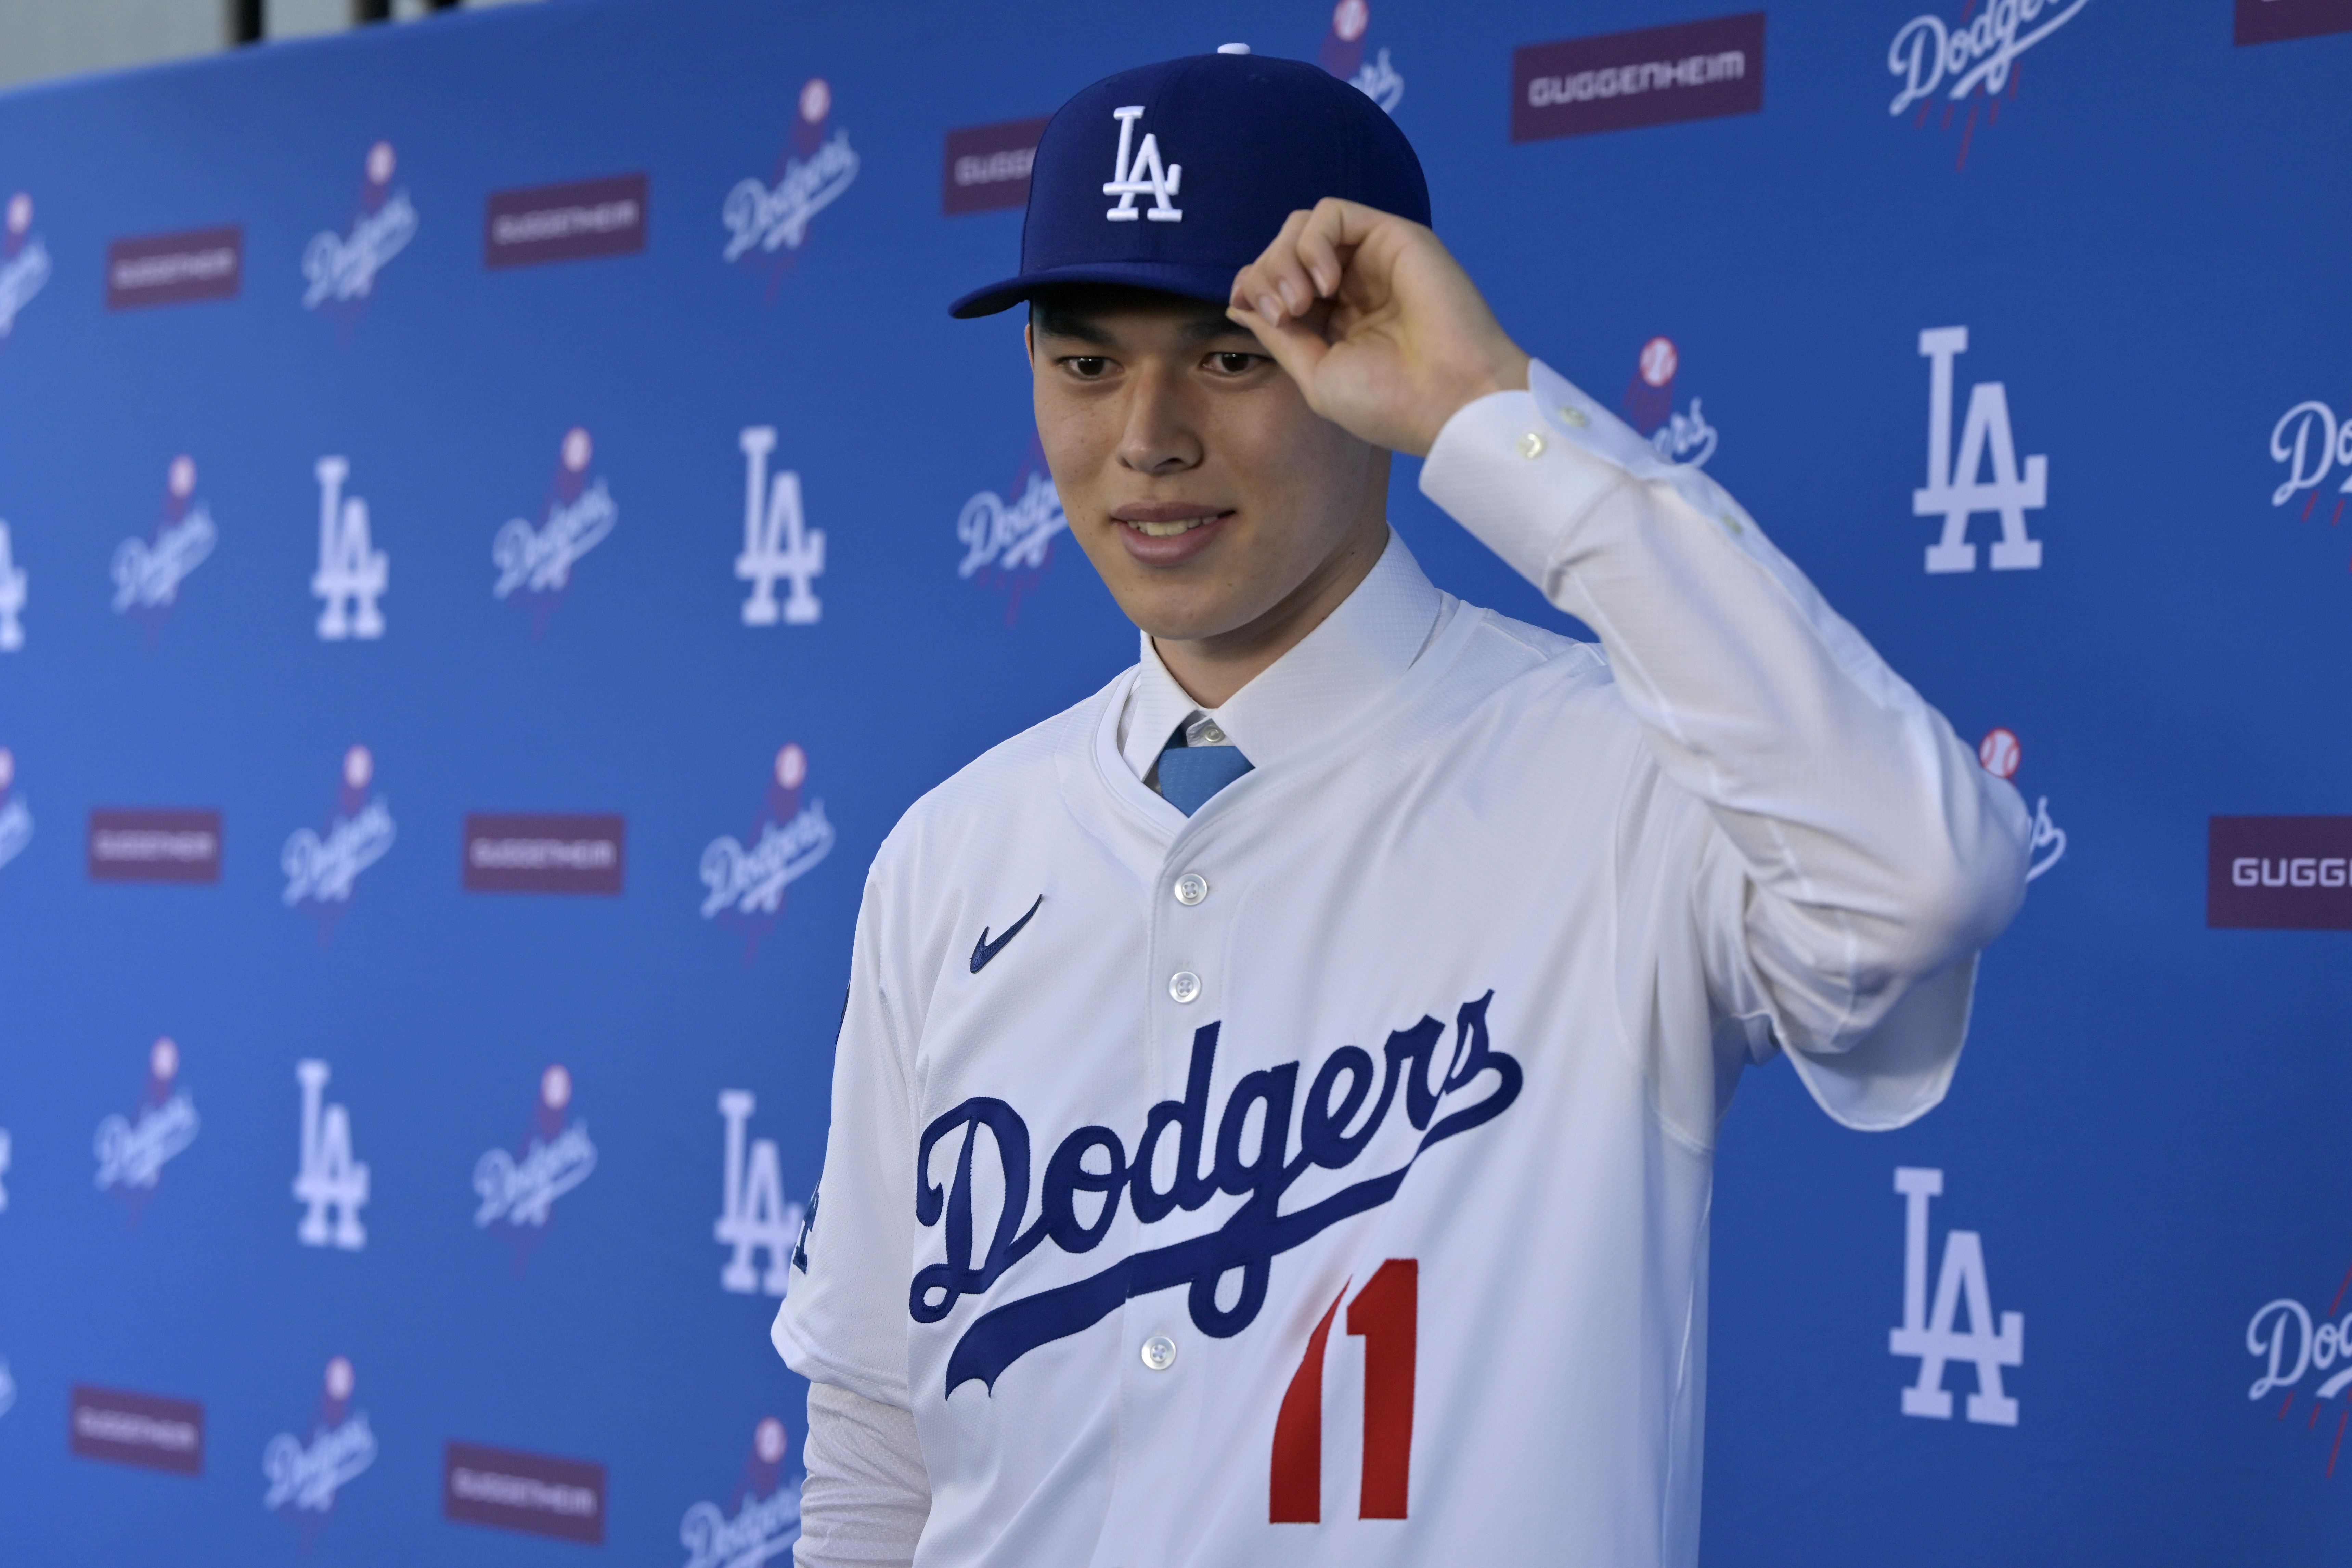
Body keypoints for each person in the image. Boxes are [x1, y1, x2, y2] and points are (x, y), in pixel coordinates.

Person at [773, 49, 2029, 1568]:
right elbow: (875, 1444)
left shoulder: (1622, 781)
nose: (1147, 437)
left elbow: (1925, 882)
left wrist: (1488, 412)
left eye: (1234, 354)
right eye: (1085, 360)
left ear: (1363, 354)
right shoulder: (951, 852)